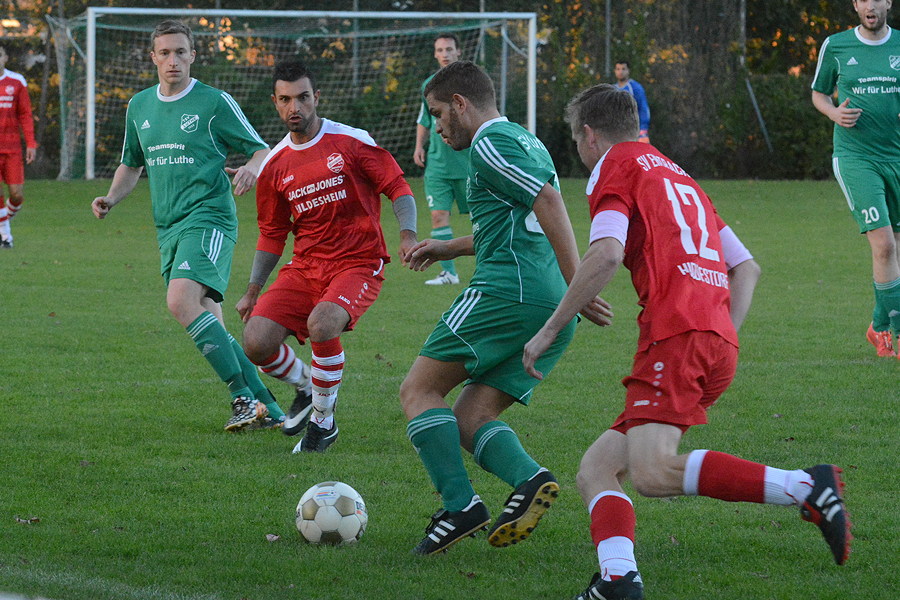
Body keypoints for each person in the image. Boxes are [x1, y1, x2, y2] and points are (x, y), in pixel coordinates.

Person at [523, 84, 851, 600]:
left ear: (589, 135)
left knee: (652, 472)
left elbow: (606, 253)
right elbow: (746, 268)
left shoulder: (614, 166)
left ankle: (805, 486)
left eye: (576, 139)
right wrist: (720, 333)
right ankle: (618, 579)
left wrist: (550, 327)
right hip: (715, 340)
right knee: (598, 468)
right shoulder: (678, 175)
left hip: (675, 336)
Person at [400, 61, 612, 555]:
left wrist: (578, 282)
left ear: (460, 104)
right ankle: (529, 480)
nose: (437, 127)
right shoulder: (524, 140)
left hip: (506, 294)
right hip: (543, 302)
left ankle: (460, 506)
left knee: (418, 390)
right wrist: (449, 247)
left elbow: (549, 203)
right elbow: (512, 223)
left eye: (438, 114)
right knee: (470, 416)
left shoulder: (489, 143)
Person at [91, 20, 282, 432]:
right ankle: (272, 411)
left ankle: (242, 398)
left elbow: (260, 149)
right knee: (212, 324)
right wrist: (111, 198)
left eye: (180, 52)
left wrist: (251, 168)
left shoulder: (214, 102)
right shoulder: (139, 106)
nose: (173, 60)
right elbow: (131, 164)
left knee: (180, 301)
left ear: (193, 55)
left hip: (209, 218)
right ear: (153, 58)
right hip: (168, 228)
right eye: (165, 53)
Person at [236, 59, 418, 453]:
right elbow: (272, 233)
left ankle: (323, 422)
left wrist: (408, 235)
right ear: (275, 102)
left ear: (316, 97)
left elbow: (397, 186)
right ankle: (306, 386)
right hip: (306, 267)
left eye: (303, 97)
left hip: (358, 261)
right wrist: (252, 290)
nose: (295, 107)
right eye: (286, 99)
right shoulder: (275, 164)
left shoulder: (351, 141)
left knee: (322, 324)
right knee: (255, 341)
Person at [811, 0, 900, 359]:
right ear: (855, 5)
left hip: (896, 156)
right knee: (884, 245)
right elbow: (819, 92)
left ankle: (879, 326)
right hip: (856, 158)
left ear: (888, 2)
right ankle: (897, 333)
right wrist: (833, 112)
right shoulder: (836, 45)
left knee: (896, 247)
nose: (869, 5)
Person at [412, 33, 470, 286]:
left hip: (467, 163)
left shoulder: (470, 83)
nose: (444, 54)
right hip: (438, 164)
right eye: (440, 50)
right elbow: (425, 118)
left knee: (484, 219)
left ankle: (494, 270)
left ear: (458, 52)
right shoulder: (429, 84)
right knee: (438, 216)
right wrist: (419, 146)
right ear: (435, 54)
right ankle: (449, 273)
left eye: (449, 49)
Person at [0, 45, 37, 249]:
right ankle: (6, 236)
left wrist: (31, 143)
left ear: (5, 58)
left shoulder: (17, 81)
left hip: (13, 148)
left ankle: (3, 222)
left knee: (16, 195)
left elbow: (25, 114)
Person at [613, 61, 650, 143]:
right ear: (615, 71)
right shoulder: (612, 89)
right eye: (618, 69)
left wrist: (643, 130)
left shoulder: (635, 88)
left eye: (623, 69)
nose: (620, 72)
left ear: (628, 71)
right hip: (617, 132)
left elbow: (643, 108)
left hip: (634, 131)